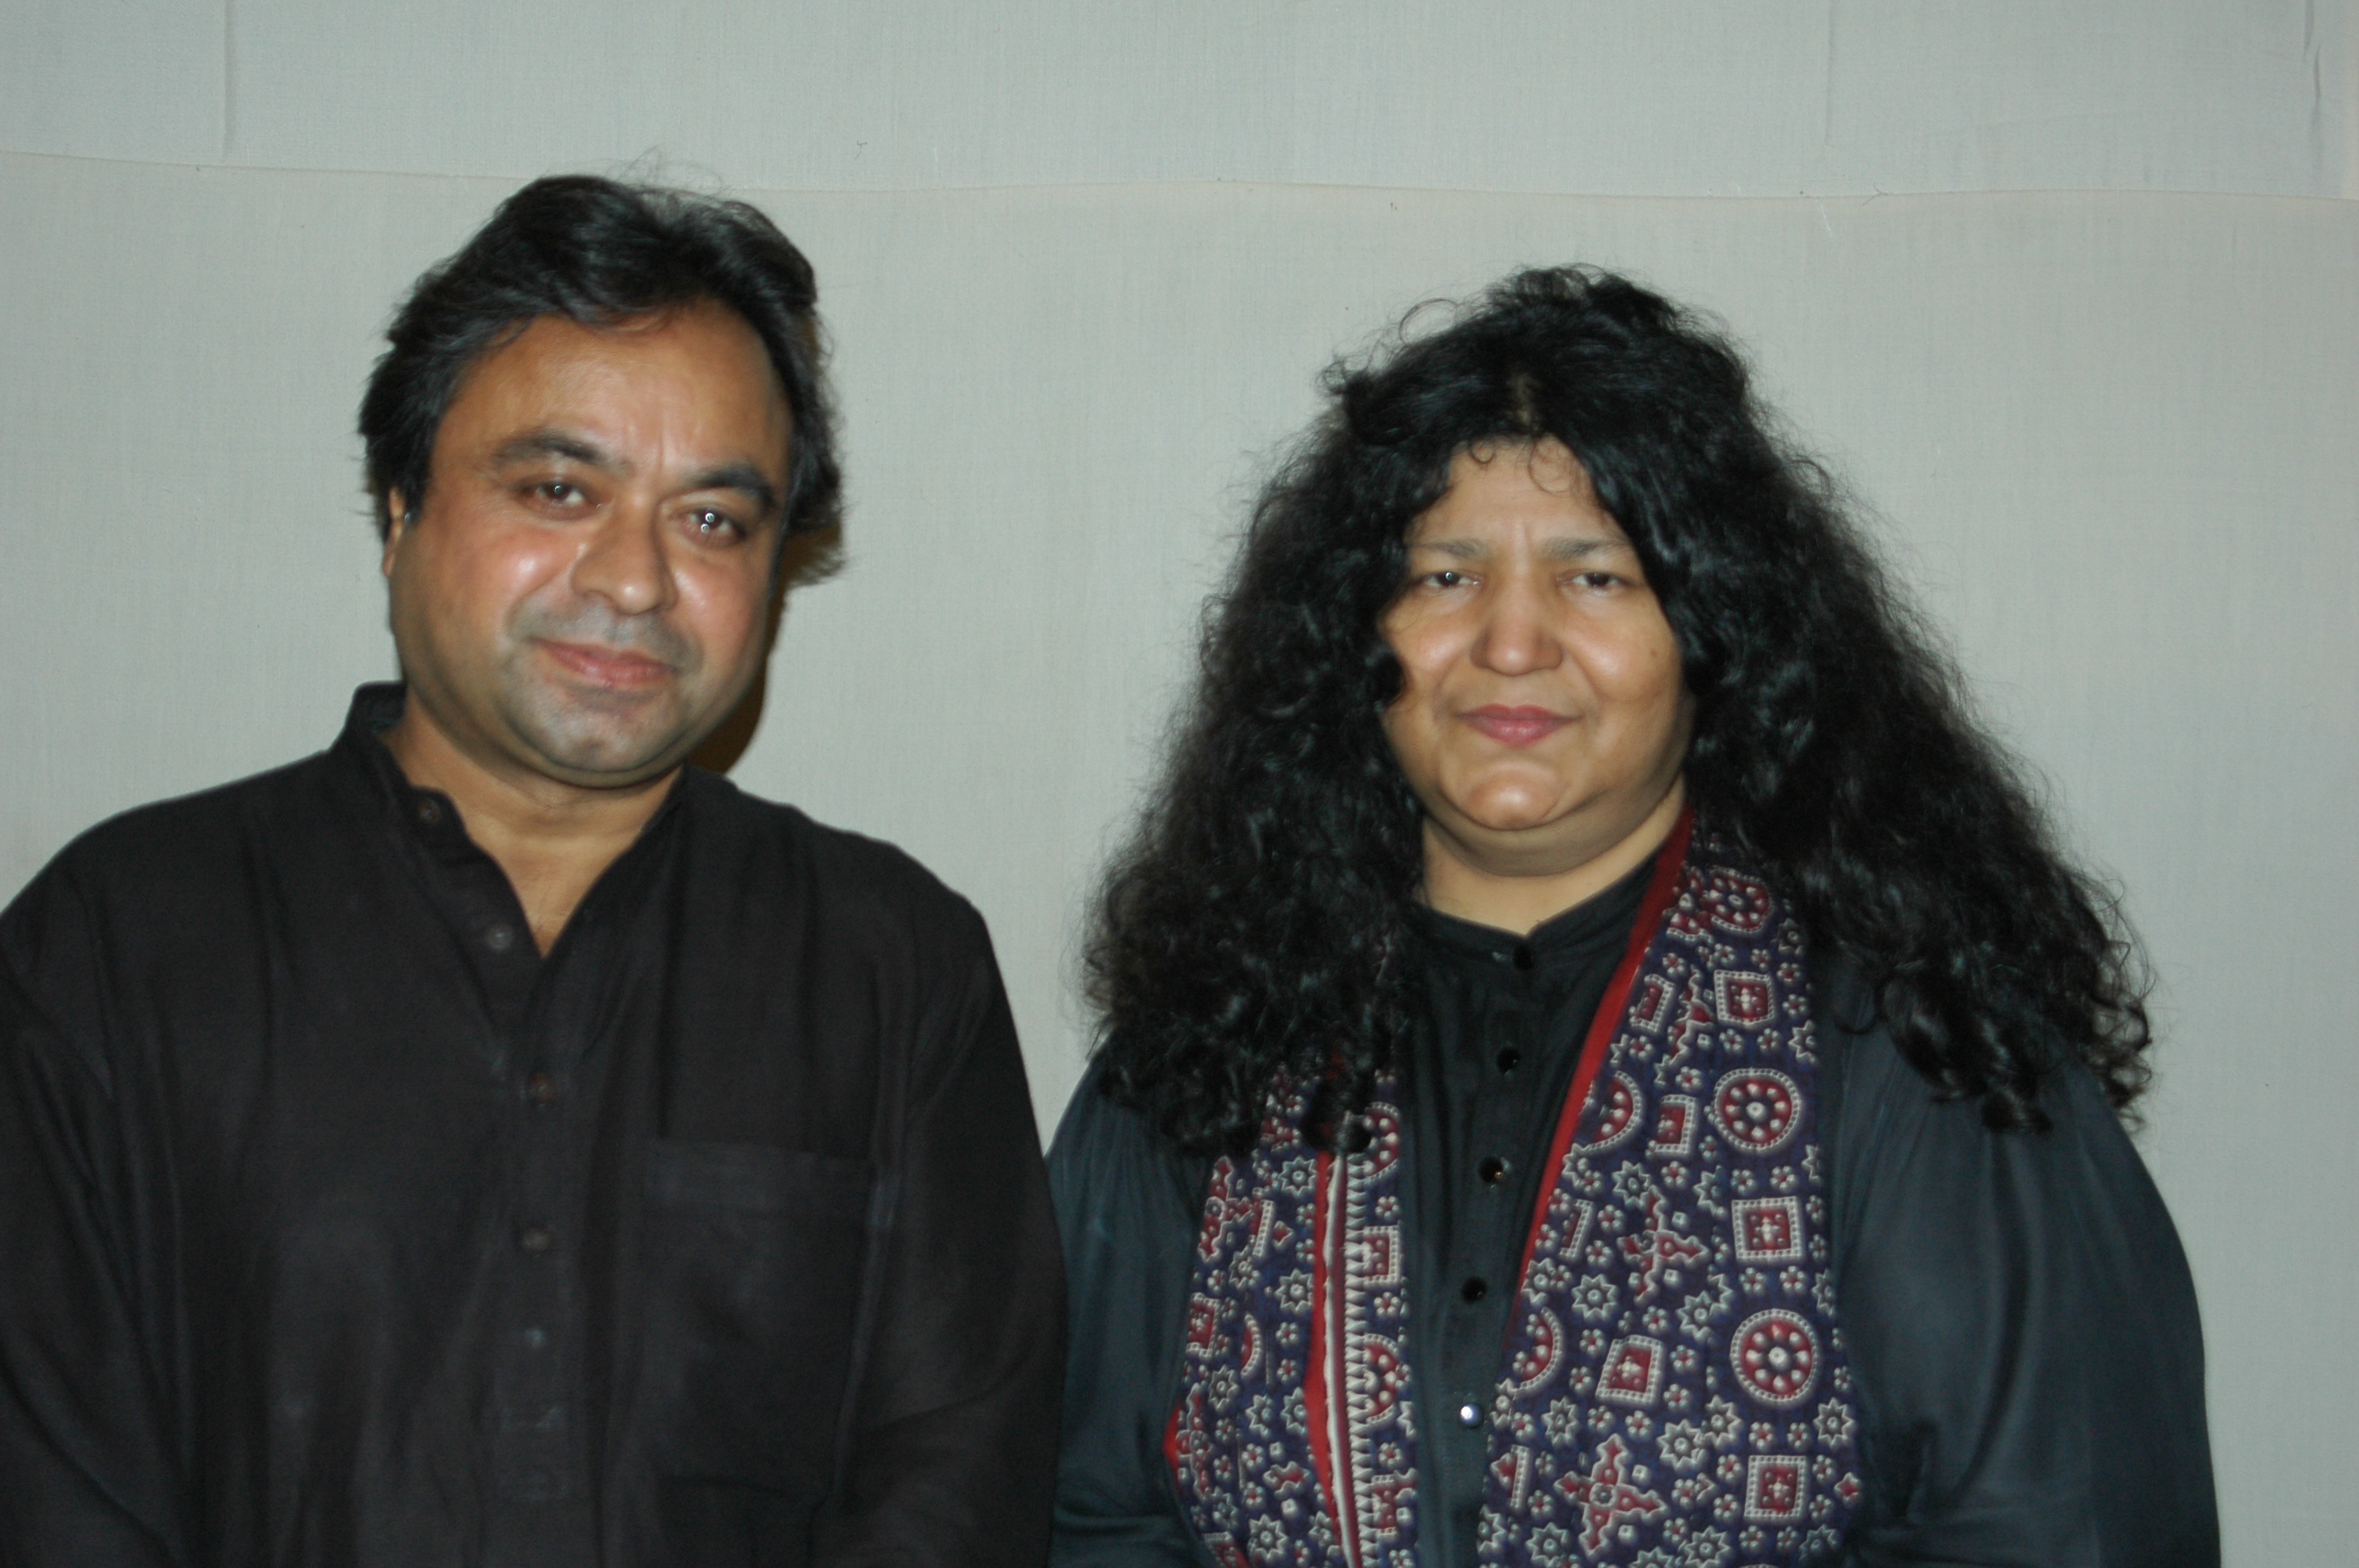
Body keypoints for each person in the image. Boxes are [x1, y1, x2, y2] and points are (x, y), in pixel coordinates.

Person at [1049, 267, 2215, 1566]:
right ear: (1349, 638)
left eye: (1596, 579)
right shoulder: (1206, 1051)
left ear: (1712, 634)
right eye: (1443, 574)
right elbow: (1082, 1515)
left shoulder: (1913, 1054)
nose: (1509, 642)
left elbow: (2059, 1528)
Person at [0, 175, 1063, 1566]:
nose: (633, 580)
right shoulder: (115, 941)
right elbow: (53, 1491)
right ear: (399, 510)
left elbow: (959, 1490)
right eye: (559, 489)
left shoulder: (894, 965)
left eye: (713, 521)